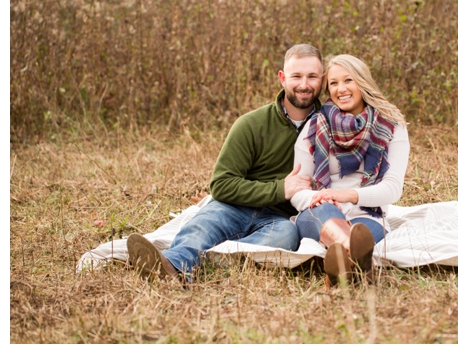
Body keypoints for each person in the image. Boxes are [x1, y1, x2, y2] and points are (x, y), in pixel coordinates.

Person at [127, 44, 325, 282]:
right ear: (282, 79)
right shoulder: (251, 124)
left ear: (322, 80)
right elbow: (221, 185)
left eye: (312, 76)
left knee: (286, 237)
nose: (304, 84)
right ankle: (172, 264)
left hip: (279, 217)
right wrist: (280, 188)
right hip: (234, 206)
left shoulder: (331, 127)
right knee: (203, 226)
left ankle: (214, 263)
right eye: (296, 76)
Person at [290, 54, 410, 284]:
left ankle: (343, 265)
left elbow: (393, 188)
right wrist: (322, 198)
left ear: (362, 82)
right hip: (319, 212)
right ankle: (361, 264)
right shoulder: (314, 127)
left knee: (359, 235)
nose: (341, 89)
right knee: (335, 223)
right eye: (333, 83)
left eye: (348, 80)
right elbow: (297, 189)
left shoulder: (392, 126)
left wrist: (344, 195)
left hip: (368, 217)